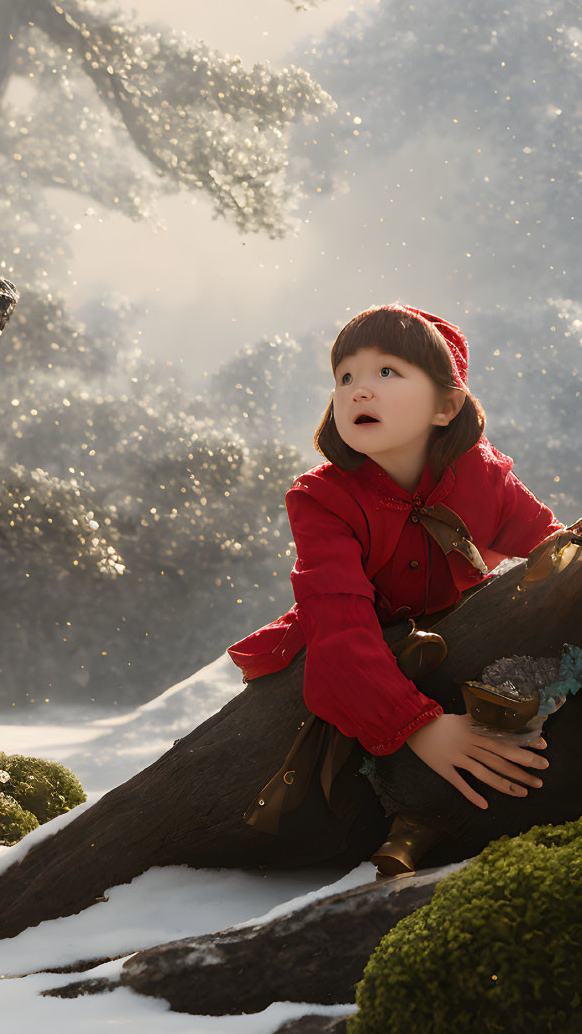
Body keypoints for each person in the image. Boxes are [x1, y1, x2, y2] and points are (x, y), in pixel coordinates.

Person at [228, 304, 563, 869]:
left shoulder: (485, 473)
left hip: (461, 633)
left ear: (447, 405)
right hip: (362, 650)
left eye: (387, 372)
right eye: (345, 377)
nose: (359, 390)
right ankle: (412, 822)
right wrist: (421, 728)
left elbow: (551, 550)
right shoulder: (321, 499)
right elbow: (339, 632)